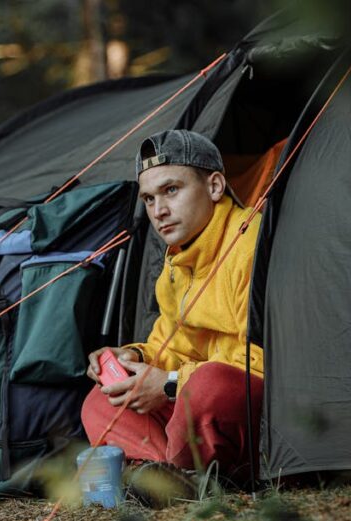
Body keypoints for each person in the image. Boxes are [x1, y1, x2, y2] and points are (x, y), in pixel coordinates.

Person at [81, 129, 265, 490]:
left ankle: (173, 473)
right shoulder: (177, 263)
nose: (159, 211)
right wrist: (130, 358)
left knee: (209, 386)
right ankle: (175, 477)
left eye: (171, 190)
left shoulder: (251, 245)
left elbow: (265, 361)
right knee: (100, 402)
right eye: (148, 199)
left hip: (247, 406)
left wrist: (169, 385)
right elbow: (172, 348)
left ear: (214, 187)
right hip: (191, 406)